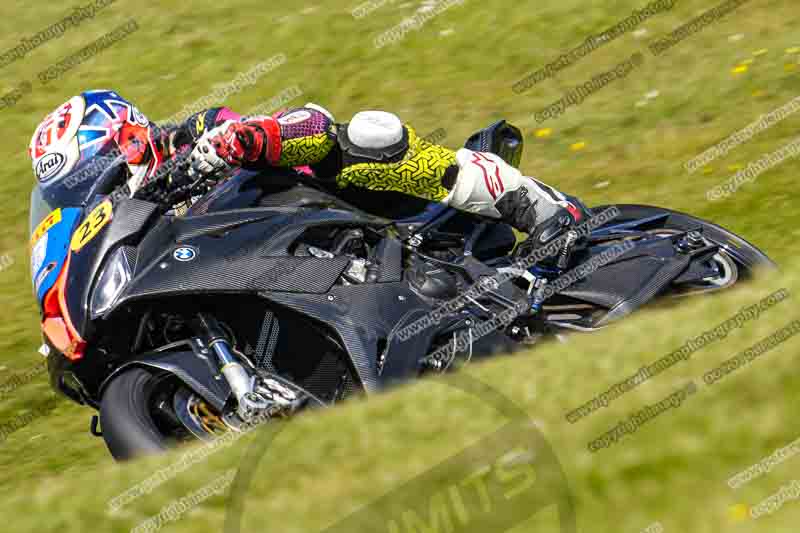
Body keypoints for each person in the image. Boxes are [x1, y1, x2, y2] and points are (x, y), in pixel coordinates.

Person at [28, 90, 588, 261]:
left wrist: (238, 140)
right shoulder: (104, 226)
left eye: (91, 177)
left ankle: (537, 205)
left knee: (365, 136)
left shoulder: (183, 134)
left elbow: (244, 125)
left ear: (124, 139)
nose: (88, 195)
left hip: (311, 201)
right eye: (71, 192)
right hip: (243, 262)